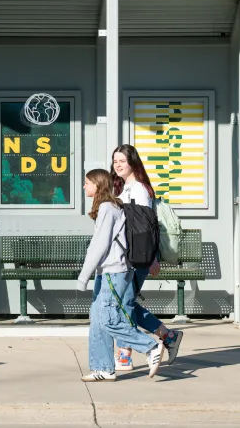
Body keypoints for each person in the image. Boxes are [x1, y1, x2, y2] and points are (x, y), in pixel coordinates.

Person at [78, 169, 164, 382]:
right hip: (109, 272)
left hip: (113, 271)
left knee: (108, 320)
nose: (84, 187)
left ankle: (150, 346)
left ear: (97, 185)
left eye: (87, 183)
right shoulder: (110, 207)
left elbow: (99, 246)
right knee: (98, 320)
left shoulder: (108, 208)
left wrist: (83, 276)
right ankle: (103, 368)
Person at [111, 144, 183, 371]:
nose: (118, 165)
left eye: (122, 160)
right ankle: (168, 336)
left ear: (133, 162)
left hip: (138, 258)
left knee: (123, 305)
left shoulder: (139, 189)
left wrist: (151, 258)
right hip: (127, 256)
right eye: (115, 161)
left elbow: (146, 227)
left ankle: (125, 353)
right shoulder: (124, 188)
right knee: (125, 304)